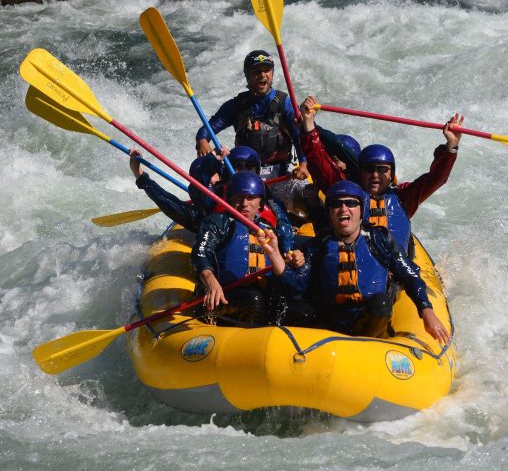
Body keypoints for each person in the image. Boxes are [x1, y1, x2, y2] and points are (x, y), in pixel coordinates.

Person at [259, 180, 450, 344]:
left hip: (367, 323)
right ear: (330, 213)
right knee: (298, 311)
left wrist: (426, 310)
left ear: (361, 210)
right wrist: (276, 255)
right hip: (329, 322)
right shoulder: (318, 247)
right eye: (336, 204)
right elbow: (296, 285)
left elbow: (409, 275)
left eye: (350, 203)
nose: (343, 209)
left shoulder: (379, 240)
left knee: (381, 303)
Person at [299, 94, 463, 251]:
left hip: (396, 274)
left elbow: (436, 178)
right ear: (360, 172)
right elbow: (319, 162)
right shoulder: (347, 195)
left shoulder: (404, 197)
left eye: (382, 169)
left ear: (391, 174)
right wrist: (308, 124)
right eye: (369, 169)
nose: (375, 175)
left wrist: (451, 147)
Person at [195, 50, 310, 216]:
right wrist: (202, 140)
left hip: (279, 173)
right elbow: (208, 128)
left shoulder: (284, 104)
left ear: (272, 73)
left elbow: (299, 137)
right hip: (244, 175)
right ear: (247, 75)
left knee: (309, 197)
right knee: (210, 189)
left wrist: (304, 164)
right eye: (256, 72)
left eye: (266, 70)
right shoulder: (236, 105)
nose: (262, 76)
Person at [190, 171, 274, 324]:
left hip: (255, 294)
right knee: (253, 300)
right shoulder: (218, 223)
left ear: (260, 202)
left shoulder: (267, 230)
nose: (244, 204)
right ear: (229, 200)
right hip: (219, 297)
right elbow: (201, 254)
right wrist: (210, 280)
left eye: (250, 198)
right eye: (239, 198)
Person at [130, 149, 224, 233]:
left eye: (211, 174)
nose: (208, 181)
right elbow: (162, 198)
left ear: (220, 175)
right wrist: (137, 172)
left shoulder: (230, 191)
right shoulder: (195, 216)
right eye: (198, 178)